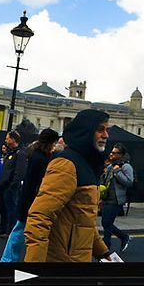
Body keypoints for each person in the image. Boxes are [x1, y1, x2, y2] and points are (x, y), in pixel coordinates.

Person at [24, 109, 115, 262]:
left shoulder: (86, 164)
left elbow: (82, 219)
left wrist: (102, 252)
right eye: (100, 130)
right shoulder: (66, 164)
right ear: (86, 132)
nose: (106, 135)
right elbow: (39, 219)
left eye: (106, 130)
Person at [0, 128, 59, 263]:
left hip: (26, 198)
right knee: (19, 231)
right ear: (49, 143)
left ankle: (8, 259)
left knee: (19, 230)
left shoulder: (35, 154)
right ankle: (7, 260)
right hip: (31, 200)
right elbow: (37, 182)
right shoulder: (40, 158)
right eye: (54, 144)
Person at [100, 143, 134, 249]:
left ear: (121, 154)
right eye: (111, 152)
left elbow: (129, 182)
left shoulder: (126, 166)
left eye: (114, 153)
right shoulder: (110, 166)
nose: (111, 154)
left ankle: (106, 246)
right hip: (106, 198)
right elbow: (105, 182)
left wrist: (118, 172)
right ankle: (123, 236)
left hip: (116, 200)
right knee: (105, 222)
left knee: (107, 222)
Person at [0, 129, 27, 235]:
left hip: (10, 186)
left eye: (7, 138)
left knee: (10, 208)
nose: (5, 140)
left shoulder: (20, 153)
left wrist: (14, 184)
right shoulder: (10, 152)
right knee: (2, 207)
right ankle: (2, 227)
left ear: (13, 140)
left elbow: (19, 171)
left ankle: (10, 230)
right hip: (3, 185)